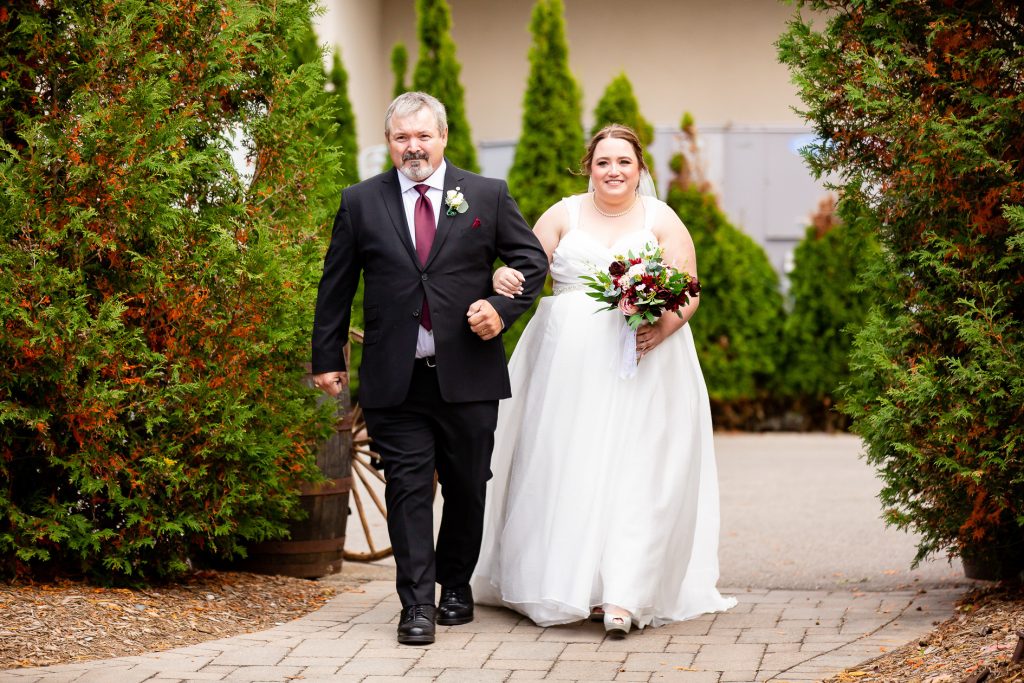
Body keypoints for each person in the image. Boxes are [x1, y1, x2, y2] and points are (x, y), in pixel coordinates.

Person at [470, 124, 736, 637]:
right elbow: (525, 268)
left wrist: (664, 327)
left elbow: (689, 287)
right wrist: (501, 277)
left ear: (640, 169)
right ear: (588, 167)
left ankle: (624, 593)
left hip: (645, 364)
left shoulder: (661, 218)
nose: (613, 171)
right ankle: (566, 583)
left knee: (638, 470)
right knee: (569, 464)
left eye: (624, 162)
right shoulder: (562, 215)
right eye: (603, 162)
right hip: (568, 368)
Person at [311, 92, 548, 645]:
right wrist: (326, 357)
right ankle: (416, 604)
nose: (413, 147)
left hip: (469, 375)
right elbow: (336, 285)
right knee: (407, 489)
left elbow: (531, 261)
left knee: (468, 486)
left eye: (423, 136)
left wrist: (501, 309)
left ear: (443, 137)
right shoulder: (360, 202)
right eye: (402, 137)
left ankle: (456, 585)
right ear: (388, 142)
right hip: (396, 377)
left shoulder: (486, 194)